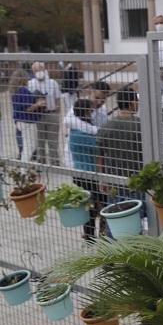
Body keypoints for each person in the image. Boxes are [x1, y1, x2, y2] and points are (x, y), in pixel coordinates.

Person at [67, 98, 105, 239]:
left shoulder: (74, 131)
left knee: (88, 207)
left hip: (79, 173)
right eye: (91, 110)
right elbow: (100, 148)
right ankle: (101, 236)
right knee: (100, 206)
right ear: (87, 112)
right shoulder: (85, 134)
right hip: (92, 175)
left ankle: (89, 235)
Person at [27, 61, 63, 165]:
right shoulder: (30, 84)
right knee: (40, 140)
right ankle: (41, 161)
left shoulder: (53, 83)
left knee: (53, 141)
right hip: (38, 116)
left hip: (52, 114)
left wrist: (57, 112)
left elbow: (58, 99)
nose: (39, 72)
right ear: (33, 72)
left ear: (44, 69)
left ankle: (55, 162)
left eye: (40, 69)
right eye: (36, 70)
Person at [9, 68, 42, 160]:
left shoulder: (14, 91)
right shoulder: (23, 90)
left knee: (27, 146)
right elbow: (27, 109)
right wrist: (38, 104)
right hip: (27, 122)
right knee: (29, 147)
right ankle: (24, 169)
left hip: (19, 121)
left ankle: (26, 168)